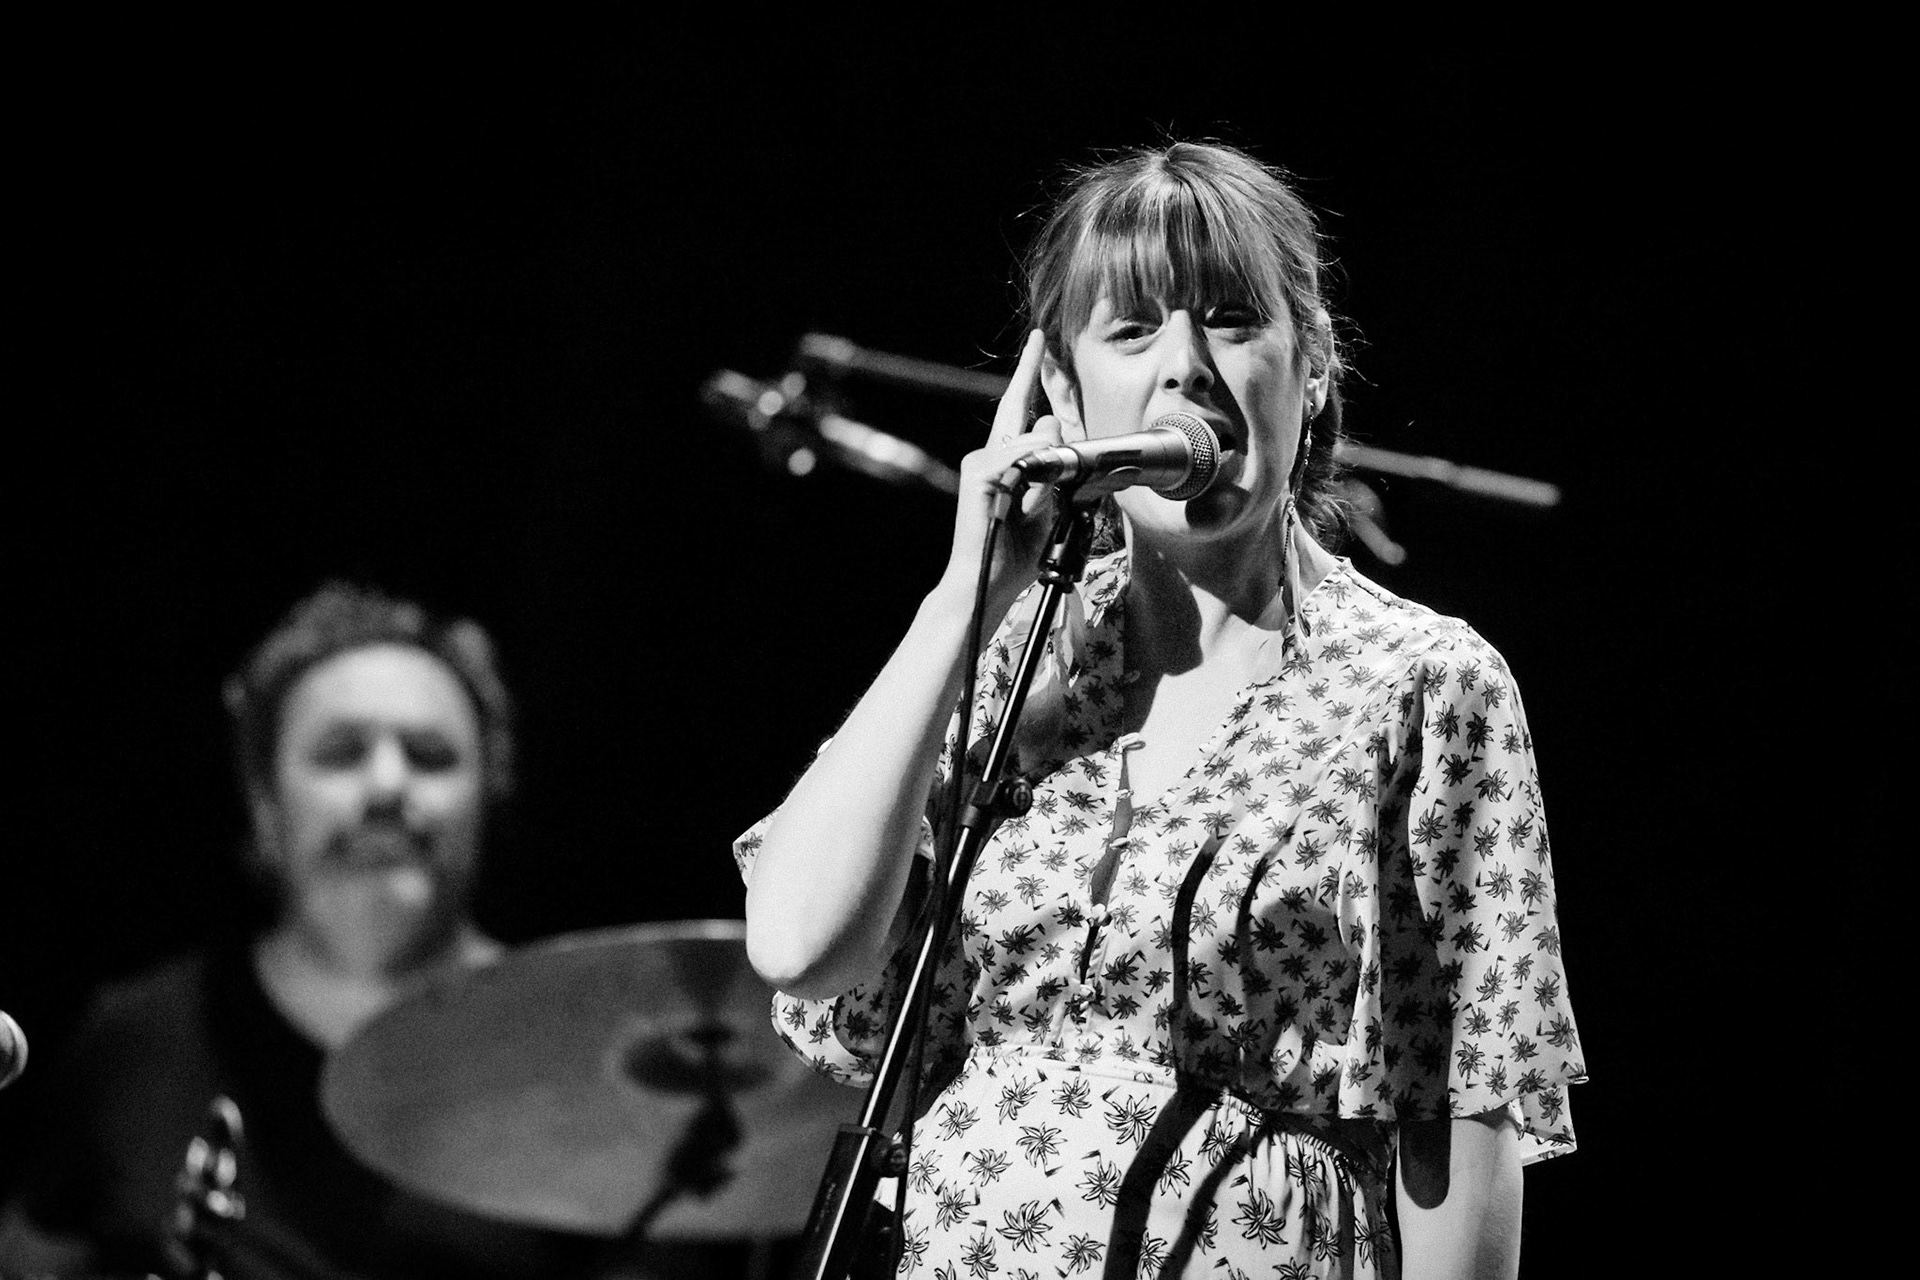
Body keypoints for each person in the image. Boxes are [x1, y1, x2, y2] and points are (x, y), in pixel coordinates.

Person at [738, 141, 1585, 1278]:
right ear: (1062, 390)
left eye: (1233, 320)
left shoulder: (1420, 685)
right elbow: (798, 943)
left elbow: (1457, 1130)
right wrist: (963, 599)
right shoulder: (1009, 655)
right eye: (1132, 329)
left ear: (1315, 365)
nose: (1185, 367)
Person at [0, 583, 599, 1279]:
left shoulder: (595, 1059)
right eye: (342, 752)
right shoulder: (133, 1042)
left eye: (430, 755)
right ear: (264, 804)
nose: (387, 786)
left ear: (488, 799)